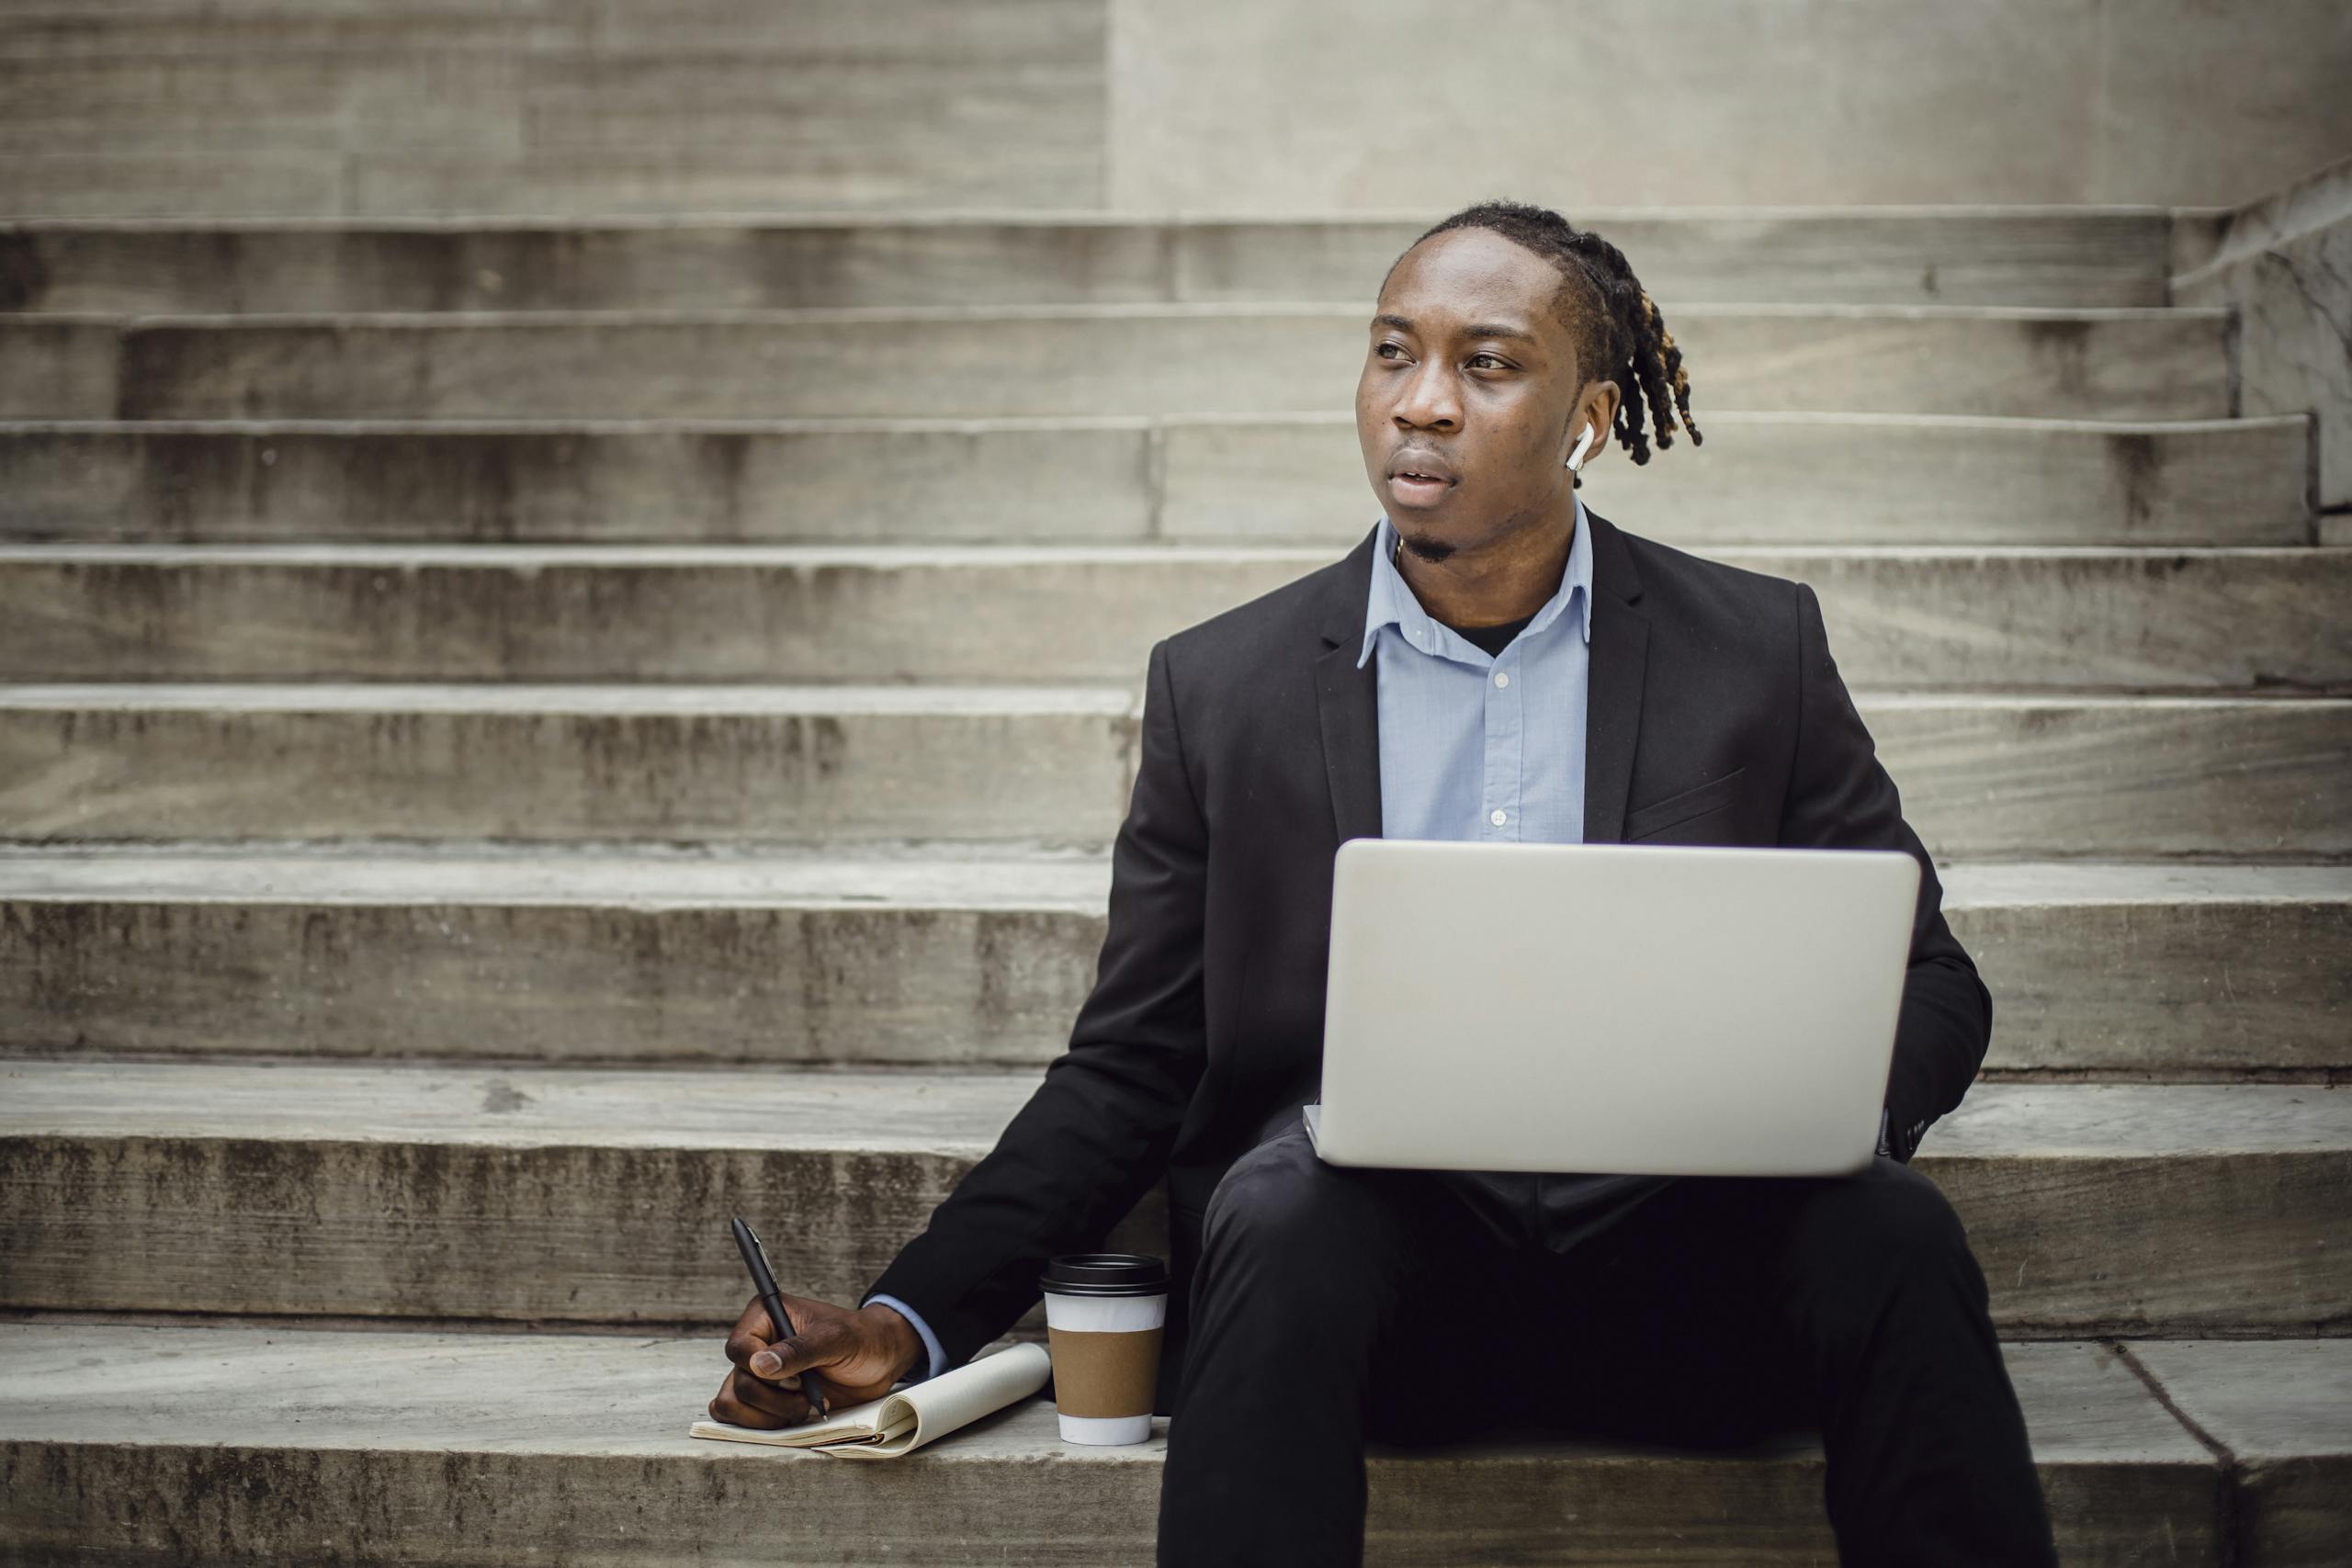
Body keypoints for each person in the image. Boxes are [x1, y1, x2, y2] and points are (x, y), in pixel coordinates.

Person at [708, 198, 2060, 1567]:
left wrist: (1822, 1118)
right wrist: (911, 1317)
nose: (1422, 403)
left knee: (1893, 1228)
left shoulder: (1754, 651)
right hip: (1363, 1309)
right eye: (1393, 352)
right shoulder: (1222, 688)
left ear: (1589, 419)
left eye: (1488, 363)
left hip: (1694, 1289)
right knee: (1280, 1197)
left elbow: (1931, 982)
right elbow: (1133, 1065)